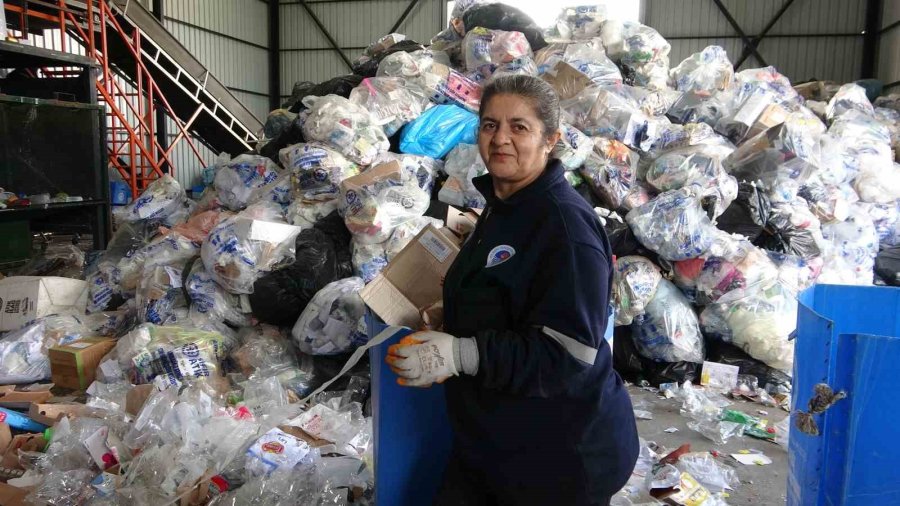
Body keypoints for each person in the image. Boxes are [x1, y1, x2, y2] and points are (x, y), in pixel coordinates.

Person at [386, 75, 639, 505]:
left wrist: (457, 353)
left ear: (550, 140)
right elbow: (510, 293)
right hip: (497, 442)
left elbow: (569, 353)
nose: (500, 138)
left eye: (519, 127)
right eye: (489, 125)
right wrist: (453, 316)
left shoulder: (562, 227)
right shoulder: (506, 206)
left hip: (559, 457)